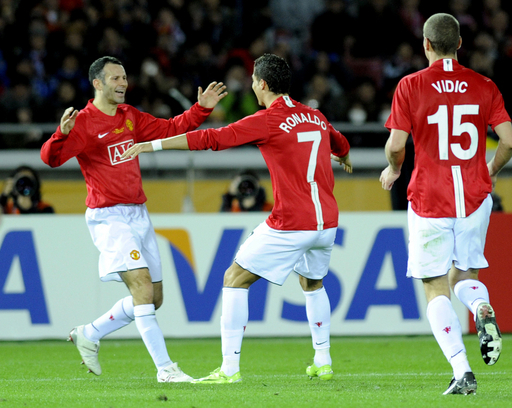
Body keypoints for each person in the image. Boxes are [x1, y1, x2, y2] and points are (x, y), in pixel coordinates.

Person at [122, 53, 353, 383]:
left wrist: (153, 146)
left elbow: (212, 139)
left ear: (261, 84)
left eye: (253, 83)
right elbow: (340, 141)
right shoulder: (315, 117)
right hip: (327, 222)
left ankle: (229, 369)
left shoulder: (268, 119)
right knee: (312, 283)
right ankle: (324, 361)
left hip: (291, 222)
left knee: (234, 278)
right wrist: (343, 157)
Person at [40, 56, 227, 382]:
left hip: (138, 214)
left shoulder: (130, 117)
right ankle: (166, 370)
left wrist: (201, 109)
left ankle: (90, 333)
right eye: (115, 78)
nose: (123, 83)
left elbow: (170, 129)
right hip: (109, 217)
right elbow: (51, 159)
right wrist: (60, 133)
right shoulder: (84, 123)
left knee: (154, 298)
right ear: (97, 83)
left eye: (124, 77)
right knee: (141, 286)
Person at [380, 13, 512, 395]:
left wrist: (392, 169)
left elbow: (395, 145)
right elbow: (508, 140)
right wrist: (490, 170)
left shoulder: (410, 85)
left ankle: (462, 372)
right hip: (474, 198)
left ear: (425, 45)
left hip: (430, 199)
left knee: (434, 286)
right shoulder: (484, 84)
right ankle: (480, 308)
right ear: (459, 45)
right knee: (463, 277)